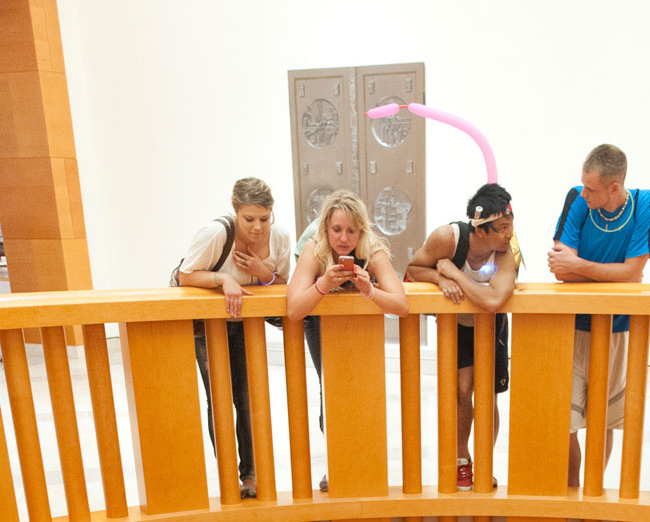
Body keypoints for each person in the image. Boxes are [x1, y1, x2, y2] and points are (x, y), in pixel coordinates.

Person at [546, 145, 650, 486]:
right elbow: (560, 270)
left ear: (613, 187)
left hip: (616, 329)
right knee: (565, 422)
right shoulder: (576, 199)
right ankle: (572, 489)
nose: (583, 193)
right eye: (583, 185)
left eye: (591, 188)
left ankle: (593, 490)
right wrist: (617, 274)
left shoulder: (645, 203)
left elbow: (632, 274)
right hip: (571, 327)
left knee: (603, 419)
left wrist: (580, 266)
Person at [177, 176, 291, 498]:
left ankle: (250, 476)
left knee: (247, 399)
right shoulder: (216, 233)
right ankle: (228, 473)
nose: (258, 227)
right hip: (209, 325)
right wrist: (223, 279)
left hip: (245, 324)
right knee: (219, 400)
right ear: (235, 211)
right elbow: (185, 275)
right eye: (249, 219)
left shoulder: (279, 236)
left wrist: (262, 272)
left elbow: (282, 282)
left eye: (264, 219)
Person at [287, 190, 408, 490]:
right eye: (337, 229)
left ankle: (364, 460)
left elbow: (401, 305)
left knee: (365, 390)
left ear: (361, 230)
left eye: (351, 230)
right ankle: (335, 463)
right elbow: (294, 309)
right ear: (325, 229)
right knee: (329, 389)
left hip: (362, 326)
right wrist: (322, 285)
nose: (343, 238)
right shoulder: (313, 249)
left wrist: (370, 291)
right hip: (320, 323)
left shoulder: (373, 250)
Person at [406, 184, 518, 490]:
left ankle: (485, 461)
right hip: (457, 324)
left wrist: (454, 274)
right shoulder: (448, 238)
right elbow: (413, 269)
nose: (509, 234)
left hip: (491, 325)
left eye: (511, 225)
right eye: (502, 228)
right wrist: (437, 278)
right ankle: (461, 459)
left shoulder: (508, 251)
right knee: (461, 389)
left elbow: (494, 300)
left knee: (488, 393)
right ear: (479, 230)